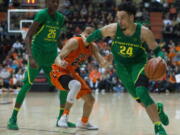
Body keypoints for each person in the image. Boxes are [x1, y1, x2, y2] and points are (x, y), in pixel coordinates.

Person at [86, 2, 169, 135]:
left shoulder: (144, 32)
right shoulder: (113, 29)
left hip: (139, 64)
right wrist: (85, 40)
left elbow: (157, 50)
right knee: (139, 99)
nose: (120, 21)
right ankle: (157, 109)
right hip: (121, 67)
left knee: (141, 91)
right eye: (118, 18)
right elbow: (96, 34)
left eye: (123, 17)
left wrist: (160, 58)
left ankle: (158, 127)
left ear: (131, 17)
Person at [7, 0, 75, 130]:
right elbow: (28, 37)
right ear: (46, 2)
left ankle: (61, 119)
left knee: (62, 86)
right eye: (52, 2)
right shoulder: (42, 15)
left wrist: (67, 53)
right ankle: (12, 119)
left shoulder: (60, 18)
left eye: (57, 2)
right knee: (27, 85)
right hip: (37, 57)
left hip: (51, 58)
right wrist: (31, 57)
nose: (55, 4)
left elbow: (57, 39)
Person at [50, 25, 108, 129]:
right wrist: (60, 62)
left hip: (71, 73)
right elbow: (58, 58)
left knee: (90, 100)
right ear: (84, 34)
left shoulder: (92, 46)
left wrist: (107, 62)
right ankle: (63, 118)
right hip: (58, 71)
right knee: (76, 85)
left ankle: (83, 122)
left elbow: (102, 62)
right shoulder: (75, 42)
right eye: (87, 34)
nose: (90, 38)